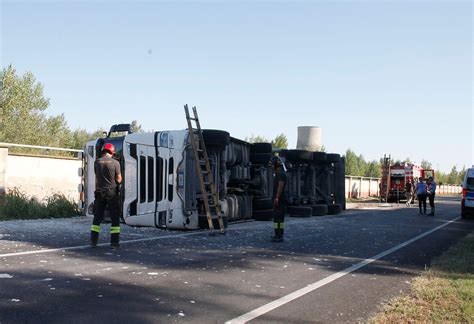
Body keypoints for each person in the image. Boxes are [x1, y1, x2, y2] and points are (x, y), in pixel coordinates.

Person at [91, 143, 122, 248]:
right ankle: (114, 243)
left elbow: (97, 176)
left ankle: (93, 242)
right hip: (111, 193)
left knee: (97, 218)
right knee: (115, 218)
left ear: (103, 151)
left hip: (99, 193)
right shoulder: (116, 163)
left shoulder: (96, 162)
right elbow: (119, 179)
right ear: (112, 152)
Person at [270, 156, 287, 242]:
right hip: (279, 199)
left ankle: (279, 236)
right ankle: (277, 234)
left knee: (279, 218)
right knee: (277, 219)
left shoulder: (280, 174)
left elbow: (280, 186)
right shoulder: (279, 173)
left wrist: (277, 197)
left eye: (273, 165)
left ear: (276, 165)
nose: (272, 167)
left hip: (280, 200)